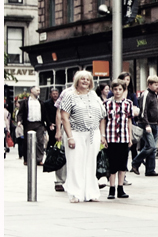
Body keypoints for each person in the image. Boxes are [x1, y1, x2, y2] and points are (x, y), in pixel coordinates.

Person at [56, 70, 107, 203]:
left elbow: (102, 116)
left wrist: (102, 135)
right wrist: (70, 136)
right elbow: (64, 117)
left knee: (90, 163)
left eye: (88, 79)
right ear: (77, 81)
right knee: (75, 163)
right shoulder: (70, 96)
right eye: (82, 79)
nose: (85, 81)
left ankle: (90, 192)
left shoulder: (94, 96)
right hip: (76, 133)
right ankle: (75, 193)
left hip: (93, 133)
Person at [103, 78, 134, 199]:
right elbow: (104, 120)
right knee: (112, 164)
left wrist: (130, 137)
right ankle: (111, 188)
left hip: (123, 137)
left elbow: (129, 120)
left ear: (124, 90)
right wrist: (103, 136)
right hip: (111, 137)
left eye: (120, 89)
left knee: (122, 163)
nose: (117, 92)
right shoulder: (106, 104)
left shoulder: (128, 104)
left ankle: (120, 188)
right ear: (112, 90)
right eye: (115, 89)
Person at [132, 75, 158, 175]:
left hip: (154, 124)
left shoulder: (155, 95)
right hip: (147, 124)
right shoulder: (146, 95)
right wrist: (146, 124)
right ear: (149, 85)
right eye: (155, 85)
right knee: (151, 146)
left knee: (153, 149)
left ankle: (150, 169)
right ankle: (135, 162)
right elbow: (143, 111)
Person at [21, 86, 46, 168]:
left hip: (39, 124)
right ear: (31, 90)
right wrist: (19, 121)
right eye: (37, 90)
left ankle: (39, 159)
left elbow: (45, 114)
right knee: (27, 142)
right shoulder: (25, 102)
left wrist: (48, 123)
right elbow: (20, 113)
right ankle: (26, 159)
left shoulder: (41, 102)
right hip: (28, 124)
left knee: (40, 141)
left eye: (39, 90)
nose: (38, 91)